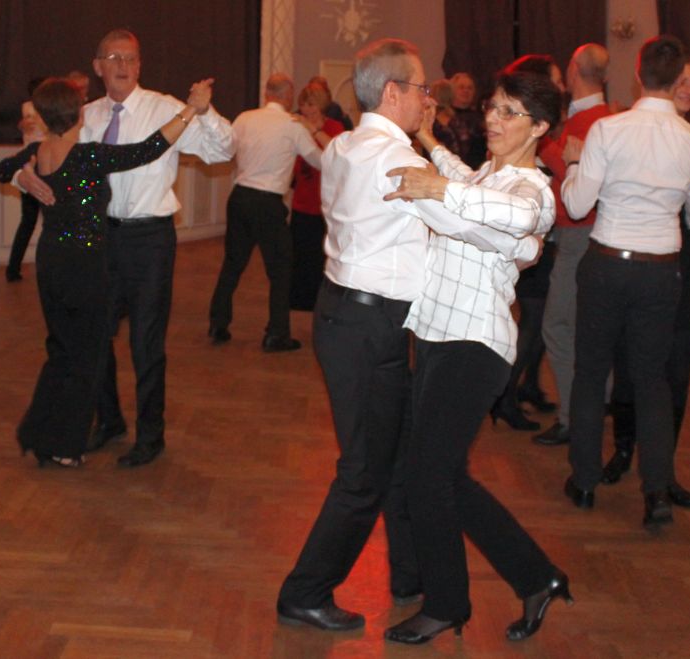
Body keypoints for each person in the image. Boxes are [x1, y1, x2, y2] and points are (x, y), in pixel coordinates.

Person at [382, 70, 572, 645]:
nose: (492, 118)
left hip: (475, 344)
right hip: (438, 335)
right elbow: (468, 187)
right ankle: (537, 577)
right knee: (442, 476)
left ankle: (447, 604)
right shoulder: (489, 175)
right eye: (493, 107)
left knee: (428, 478)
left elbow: (517, 217)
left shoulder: (533, 190)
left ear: (539, 127)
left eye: (509, 112)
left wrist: (436, 189)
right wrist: (431, 140)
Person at [18, 29, 234, 467]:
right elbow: (39, 152)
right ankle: (110, 420)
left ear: (140, 65)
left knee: (145, 342)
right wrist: (23, 174)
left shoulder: (166, 109)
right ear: (97, 66)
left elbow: (222, 151)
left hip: (149, 240)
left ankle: (151, 435)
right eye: (114, 58)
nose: (123, 66)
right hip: (95, 242)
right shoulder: (85, 115)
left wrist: (204, 110)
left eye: (131, 58)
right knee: (95, 337)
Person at [275, 37, 430, 634]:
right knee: (364, 471)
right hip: (366, 325)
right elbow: (462, 220)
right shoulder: (397, 161)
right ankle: (305, 591)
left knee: (396, 454)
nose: (426, 100)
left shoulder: (343, 145)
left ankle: (411, 573)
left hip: (348, 316)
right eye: (420, 89)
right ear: (393, 92)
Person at [0, 78, 200, 467]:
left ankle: (42, 435)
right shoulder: (87, 155)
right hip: (84, 266)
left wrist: (22, 176)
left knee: (61, 350)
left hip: (51, 261)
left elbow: (1, 168)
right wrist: (191, 110)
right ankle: (64, 445)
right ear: (78, 114)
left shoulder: (39, 151)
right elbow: (148, 149)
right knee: (84, 356)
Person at [559, 35, 690, 528]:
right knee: (652, 382)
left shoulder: (608, 130)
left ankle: (585, 481)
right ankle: (656, 495)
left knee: (591, 374)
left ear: (638, 74)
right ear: (676, 79)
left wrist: (572, 163)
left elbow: (577, 205)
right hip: (660, 271)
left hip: (608, 263)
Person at [602, 59, 690, 509]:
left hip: (685, 270)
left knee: (675, 373)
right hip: (643, 269)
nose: (688, 90)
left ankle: (664, 472)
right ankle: (622, 449)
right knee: (628, 365)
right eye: (682, 82)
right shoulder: (633, 133)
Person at [207, 73, 323, 351]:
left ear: (266, 93)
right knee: (280, 270)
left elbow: (228, 150)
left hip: (239, 198)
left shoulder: (244, 118)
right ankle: (276, 334)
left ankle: (218, 323)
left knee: (232, 264)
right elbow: (318, 160)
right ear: (288, 96)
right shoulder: (292, 125)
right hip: (268, 204)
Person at [533, 43, 612, 445]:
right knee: (583, 327)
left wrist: (540, 144)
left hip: (580, 234)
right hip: (587, 234)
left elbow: (578, 180)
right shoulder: (601, 117)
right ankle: (593, 404)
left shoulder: (591, 121)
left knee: (559, 326)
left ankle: (573, 415)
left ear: (574, 69)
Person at [488, 54, 566, 433]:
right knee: (532, 322)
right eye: (554, 81)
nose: (561, 87)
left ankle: (526, 385)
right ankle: (505, 395)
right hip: (529, 239)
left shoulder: (532, 143)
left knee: (535, 322)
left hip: (538, 238)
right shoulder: (534, 146)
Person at [288, 84, 344, 311]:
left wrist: (313, 130)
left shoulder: (334, 127)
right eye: (304, 105)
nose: (307, 110)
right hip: (302, 199)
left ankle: (318, 300)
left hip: (326, 202)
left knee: (321, 255)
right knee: (300, 252)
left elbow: (337, 156)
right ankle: (298, 299)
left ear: (321, 106)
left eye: (311, 105)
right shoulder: (297, 124)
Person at [5, 77, 47, 283]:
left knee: (29, 221)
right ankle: (15, 268)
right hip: (36, 166)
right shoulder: (34, 108)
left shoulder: (32, 108)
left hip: (35, 165)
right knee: (33, 221)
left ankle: (14, 268)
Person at [448, 72, 487, 168]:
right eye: (461, 87)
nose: (466, 91)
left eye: (470, 88)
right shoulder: (443, 117)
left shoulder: (481, 118)